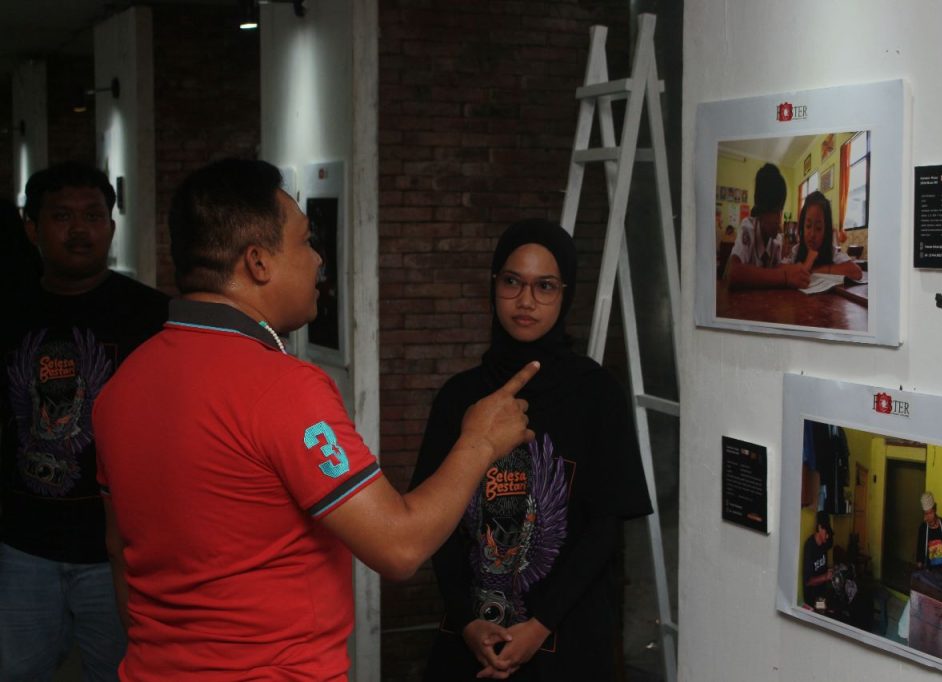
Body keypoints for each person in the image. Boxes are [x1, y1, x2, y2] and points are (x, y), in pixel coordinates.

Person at [92, 158, 538, 681]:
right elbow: (397, 547)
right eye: (305, 242)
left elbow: (119, 549)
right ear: (258, 263)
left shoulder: (121, 387)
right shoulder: (282, 387)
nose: (319, 260)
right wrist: (480, 442)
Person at [410, 219, 652, 681]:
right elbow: (431, 520)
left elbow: (604, 531)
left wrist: (538, 627)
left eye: (545, 286)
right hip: (472, 638)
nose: (526, 301)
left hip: (567, 642)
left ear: (565, 294)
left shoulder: (597, 394)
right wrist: (465, 622)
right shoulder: (459, 398)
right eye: (512, 282)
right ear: (493, 285)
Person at [0, 162, 169, 680]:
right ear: (32, 227)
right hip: (22, 544)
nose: (80, 229)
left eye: (94, 216)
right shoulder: (8, 308)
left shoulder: (152, 316)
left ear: (111, 226)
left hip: (119, 554)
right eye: (62, 216)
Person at [726, 163, 810, 290]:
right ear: (761, 211)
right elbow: (734, 273)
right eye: (774, 211)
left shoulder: (776, 241)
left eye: (780, 211)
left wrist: (794, 270)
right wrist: (785, 276)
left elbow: (776, 269)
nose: (778, 219)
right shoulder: (748, 227)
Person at [785, 191, 862, 280]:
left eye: (818, 228)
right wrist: (807, 264)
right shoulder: (796, 251)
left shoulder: (832, 252)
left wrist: (816, 270)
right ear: (802, 226)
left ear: (826, 231)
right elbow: (779, 268)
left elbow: (856, 272)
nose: (812, 234)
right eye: (808, 226)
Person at [916, 491, 942, 575]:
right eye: (925, 514)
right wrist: (920, 566)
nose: (927, 518)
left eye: (930, 513)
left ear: (935, 509)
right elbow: (919, 559)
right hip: (928, 574)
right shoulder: (923, 529)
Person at [803, 511, 833, 610]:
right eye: (826, 532)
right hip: (812, 597)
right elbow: (807, 582)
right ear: (819, 528)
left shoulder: (824, 543)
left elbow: (824, 568)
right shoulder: (810, 547)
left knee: (833, 608)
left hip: (821, 594)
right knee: (822, 612)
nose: (828, 536)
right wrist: (825, 577)